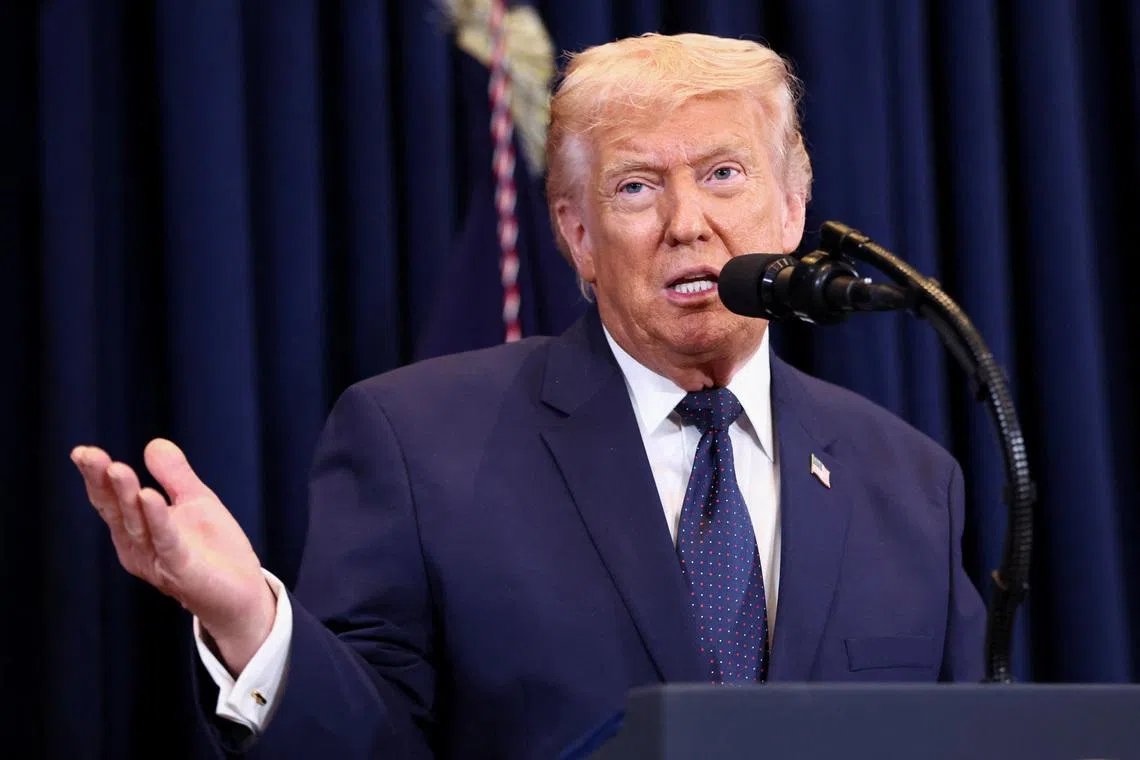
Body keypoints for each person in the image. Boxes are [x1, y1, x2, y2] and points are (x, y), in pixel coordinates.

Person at [71, 32, 985, 759]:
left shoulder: (908, 480)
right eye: (636, 188)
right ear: (577, 235)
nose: (686, 224)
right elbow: (369, 743)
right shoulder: (415, 443)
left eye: (723, 174)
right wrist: (252, 624)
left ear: (793, 208)